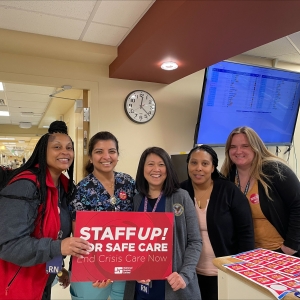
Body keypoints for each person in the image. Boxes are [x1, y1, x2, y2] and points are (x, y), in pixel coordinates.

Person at [0, 121, 91, 300]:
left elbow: (52, 233)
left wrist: (57, 267)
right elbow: (8, 245)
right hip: (17, 283)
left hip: (42, 280)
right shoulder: (25, 187)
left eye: (69, 148)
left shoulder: (64, 189)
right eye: (57, 147)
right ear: (43, 152)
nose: (65, 152)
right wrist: (58, 247)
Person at [123, 146, 202, 300]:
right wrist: (134, 270)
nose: (156, 169)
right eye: (150, 164)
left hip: (174, 284)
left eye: (161, 164)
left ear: (168, 168)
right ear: (143, 168)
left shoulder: (181, 197)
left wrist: (184, 275)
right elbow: (130, 243)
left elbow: (195, 241)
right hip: (142, 285)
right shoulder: (137, 200)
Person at [180, 144, 254, 300]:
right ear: (188, 165)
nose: (198, 168)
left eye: (205, 164)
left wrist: (243, 270)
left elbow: (246, 232)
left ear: (213, 167)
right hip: (189, 274)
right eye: (193, 163)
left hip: (224, 272)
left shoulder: (229, 191)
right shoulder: (180, 192)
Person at [70, 131, 136, 300]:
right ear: (90, 157)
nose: (106, 156)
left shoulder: (127, 182)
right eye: (99, 151)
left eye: (111, 151)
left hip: (124, 263)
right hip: (91, 267)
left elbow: (139, 222)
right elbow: (79, 233)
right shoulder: (82, 188)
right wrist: (96, 268)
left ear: (117, 155)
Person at [221, 126, 300, 256]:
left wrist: (290, 247)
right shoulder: (227, 177)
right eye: (233, 146)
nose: (238, 151)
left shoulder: (275, 171)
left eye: (245, 146)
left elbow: (298, 205)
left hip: (281, 253)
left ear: (255, 147)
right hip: (247, 254)